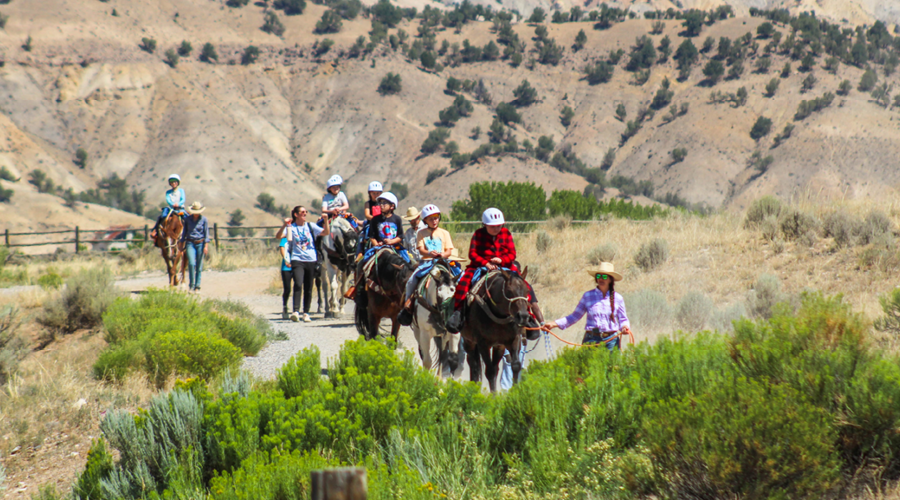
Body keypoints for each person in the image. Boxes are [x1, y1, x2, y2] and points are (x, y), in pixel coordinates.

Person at [447, 208, 543, 334]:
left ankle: (528, 316)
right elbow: (473, 254)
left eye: (498, 226)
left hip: (504, 266)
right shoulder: (478, 234)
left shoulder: (506, 234)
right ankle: (459, 312)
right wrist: (485, 263)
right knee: (464, 282)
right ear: (485, 225)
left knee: (523, 285)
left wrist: (501, 260)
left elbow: (512, 253)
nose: (496, 229)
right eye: (492, 226)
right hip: (481, 266)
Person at [542, 262, 632, 352]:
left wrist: (624, 327)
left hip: (611, 342)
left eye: (604, 277)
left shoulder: (618, 298)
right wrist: (554, 324)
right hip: (591, 340)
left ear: (610, 280)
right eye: (598, 276)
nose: (601, 279)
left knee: (613, 366)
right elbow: (574, 316)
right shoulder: (587, 296)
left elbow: (623, 319)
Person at [398, 204, 457, 326]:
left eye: (436, 218)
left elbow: (449, 251)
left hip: (443, 261)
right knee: (411, 280)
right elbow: (421, 250)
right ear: (425, 220)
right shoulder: (421, 233)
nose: (434, 221)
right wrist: (429, 253)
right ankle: (408, 304)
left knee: (460, 276)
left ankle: (462, 305)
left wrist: (442, 255)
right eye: (431, 219)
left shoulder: (444, 233)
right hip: (427, 262)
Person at [285, 205, 330, 322]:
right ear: (296, 214)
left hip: (311, 259)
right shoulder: (292, 227)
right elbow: (280, 236)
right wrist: (285, 226)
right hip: (297, 259)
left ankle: (306, 312)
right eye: (303, 212)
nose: (305, 214)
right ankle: (295, 311)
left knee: (309, 287)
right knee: (298, 283)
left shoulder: (311, 226)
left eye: (306, 212)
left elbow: (326, 232)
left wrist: (325, 220)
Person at [366, 192, 408, 261]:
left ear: (392, 206)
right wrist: (377, 245)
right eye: (380, 203)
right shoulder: (375, 219)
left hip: (394, 247)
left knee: (408, 261)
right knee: (365, 260)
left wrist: (391, 242)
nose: (381, 205)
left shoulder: (397, 219)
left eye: (384, 203)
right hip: (379, 248)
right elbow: (372, 237)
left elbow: (400, 236)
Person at [180, 201, 210, 292]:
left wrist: (206, 246)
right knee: (191, 263)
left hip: (200, 243)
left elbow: (206, 234)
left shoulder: (204, 220)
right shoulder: (187, 220)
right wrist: (181, 244)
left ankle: (197, 286)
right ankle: (191, 285)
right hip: (190, 243)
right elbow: (184, 232)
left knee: (199, 266)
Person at [150, 174, 185, 240]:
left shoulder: (181, 191)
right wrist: (172, 204)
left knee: (186, 216)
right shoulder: (168, 192)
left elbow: (183, 199)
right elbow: (168, 200)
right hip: (171, 208)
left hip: (180, 208)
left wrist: (178, 204)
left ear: (178, 183)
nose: (173, 183)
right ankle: (156, 230)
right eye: (172, 182)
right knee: (162, 216)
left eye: (175, 182)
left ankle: (189, 232)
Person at [276, 218, 293, 320]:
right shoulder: (285, 238)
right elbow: (282, 248)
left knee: (298, 287)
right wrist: (286, 260)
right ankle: (285, 306)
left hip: (297, 264)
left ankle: (296, 309)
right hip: (286, 266)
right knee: (287, 288)